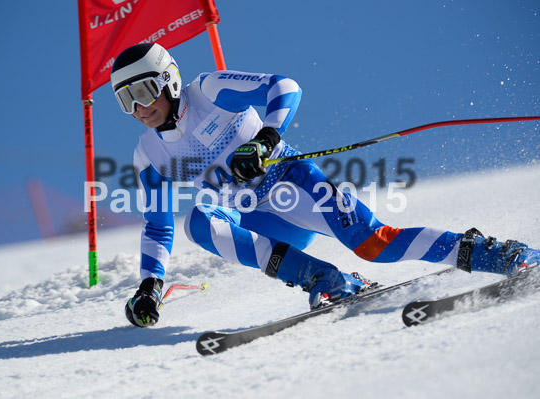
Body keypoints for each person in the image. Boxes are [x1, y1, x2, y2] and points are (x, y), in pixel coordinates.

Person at [110, 43, 540, 328]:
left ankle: (502, 254)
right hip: (256, 217)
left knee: (374, 243)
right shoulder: (150, 154)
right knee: (198, 223)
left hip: (288, 182)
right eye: (126, 101)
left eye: (145, 91)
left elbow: (285, 87)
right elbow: (157, 225)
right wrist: (150, 283)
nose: (139, 108)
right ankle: (327, 280)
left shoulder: (209, 90)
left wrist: (266, 138)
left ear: (167, 79)